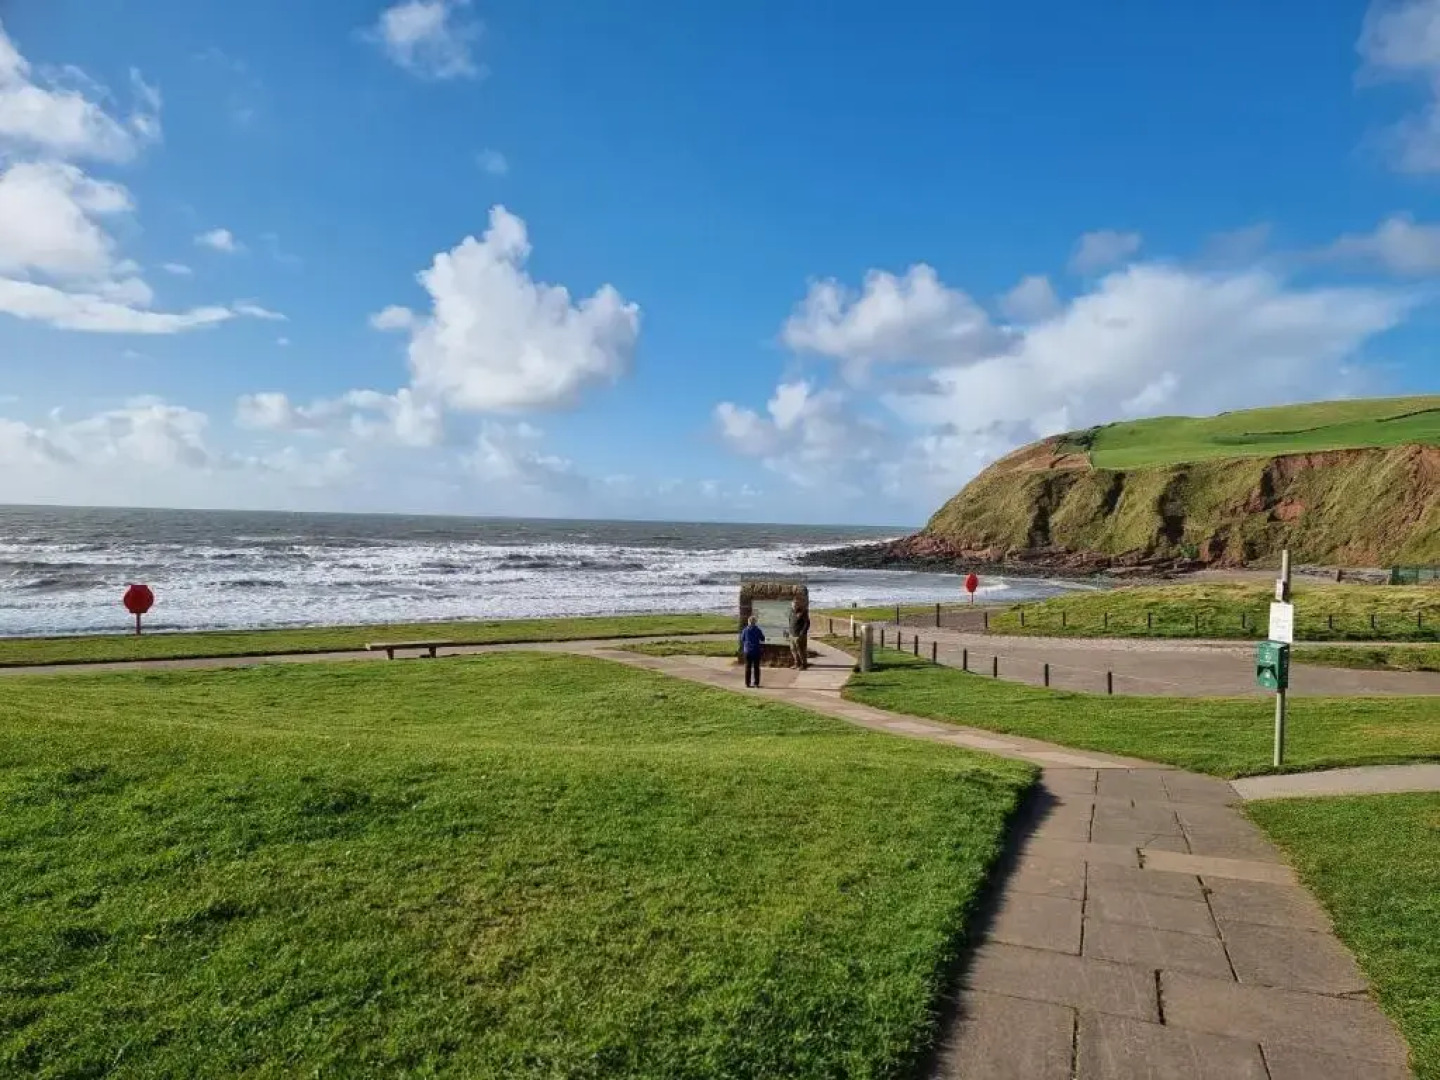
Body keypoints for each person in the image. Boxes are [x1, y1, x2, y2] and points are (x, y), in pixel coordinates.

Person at [740, 614, 765, 688]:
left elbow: (742, 639)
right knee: (756, 668)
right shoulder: (758, 630)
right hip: (756, 651)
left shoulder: (745, 630)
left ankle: (747, 683)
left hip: (747, 651)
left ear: (748, 622)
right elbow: (762, 638)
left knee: (748, 667)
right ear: (755, 622)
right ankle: (756, 683)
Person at [788, 599, 810, 670]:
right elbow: (790, 622)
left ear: (798, 605)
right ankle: (796, 664)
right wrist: (789, 632)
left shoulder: (802, 612)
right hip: (792, 635)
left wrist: (802, 633)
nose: (794, 607)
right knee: (793, 650)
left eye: (795, 605)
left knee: (800, 650)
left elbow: (807, 623)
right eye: (793, 605)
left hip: (799, 635)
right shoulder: (791, 612)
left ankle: (803, 665)